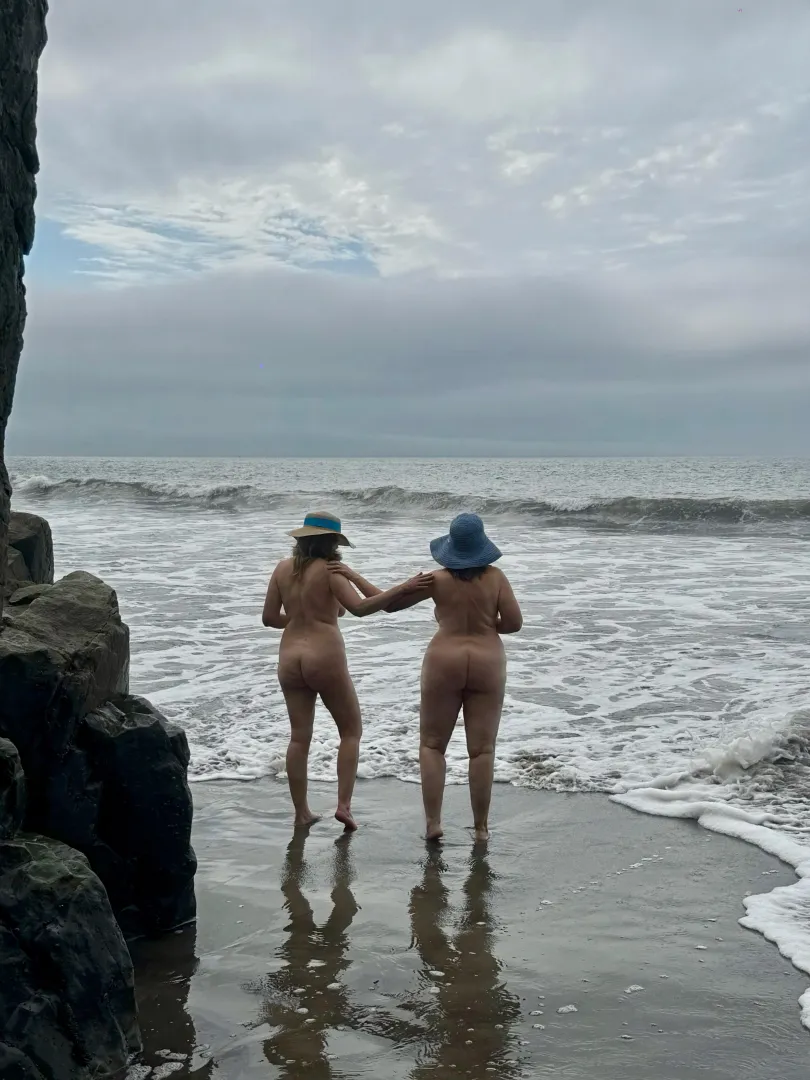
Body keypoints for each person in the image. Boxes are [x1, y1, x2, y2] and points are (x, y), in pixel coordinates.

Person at [335, 513, 522, 842]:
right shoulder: (496, 578)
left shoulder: (436, 580)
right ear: (482, 546)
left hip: (443, 660)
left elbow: (387, 605)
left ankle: (434, 823)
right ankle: (480, 829)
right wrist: (486, 627)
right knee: (482, 751)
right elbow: (514, 623)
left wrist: (351, 574)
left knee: (433, 746)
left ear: (451, 548)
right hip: (487, 661)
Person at [262, 510, 432, 831]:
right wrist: (403, 586)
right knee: (350, 731)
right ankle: (344, 806)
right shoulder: (331, 571)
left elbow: (270, 618)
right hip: (324, 657)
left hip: (289, 657)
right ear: (332, 543)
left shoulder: (282, 569)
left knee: (299, 737)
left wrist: (301, 620)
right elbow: (360, 608)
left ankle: (301, 813)